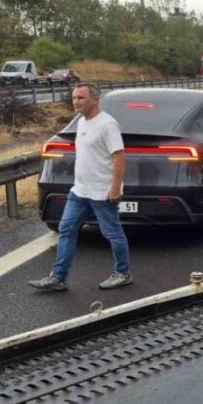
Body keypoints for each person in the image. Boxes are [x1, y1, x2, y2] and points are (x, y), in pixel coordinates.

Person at [29, 84, 132, 292]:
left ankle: (123, 273)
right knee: (66, 230)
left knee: (112, 233)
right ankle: (58, 277)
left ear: (95, 99)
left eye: (81, 98)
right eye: (74, 98)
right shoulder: (82, 122)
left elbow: (119, 156)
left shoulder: (107, 124)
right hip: (79, 191)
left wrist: (115, 187)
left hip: (101, 192)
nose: (76, 101)